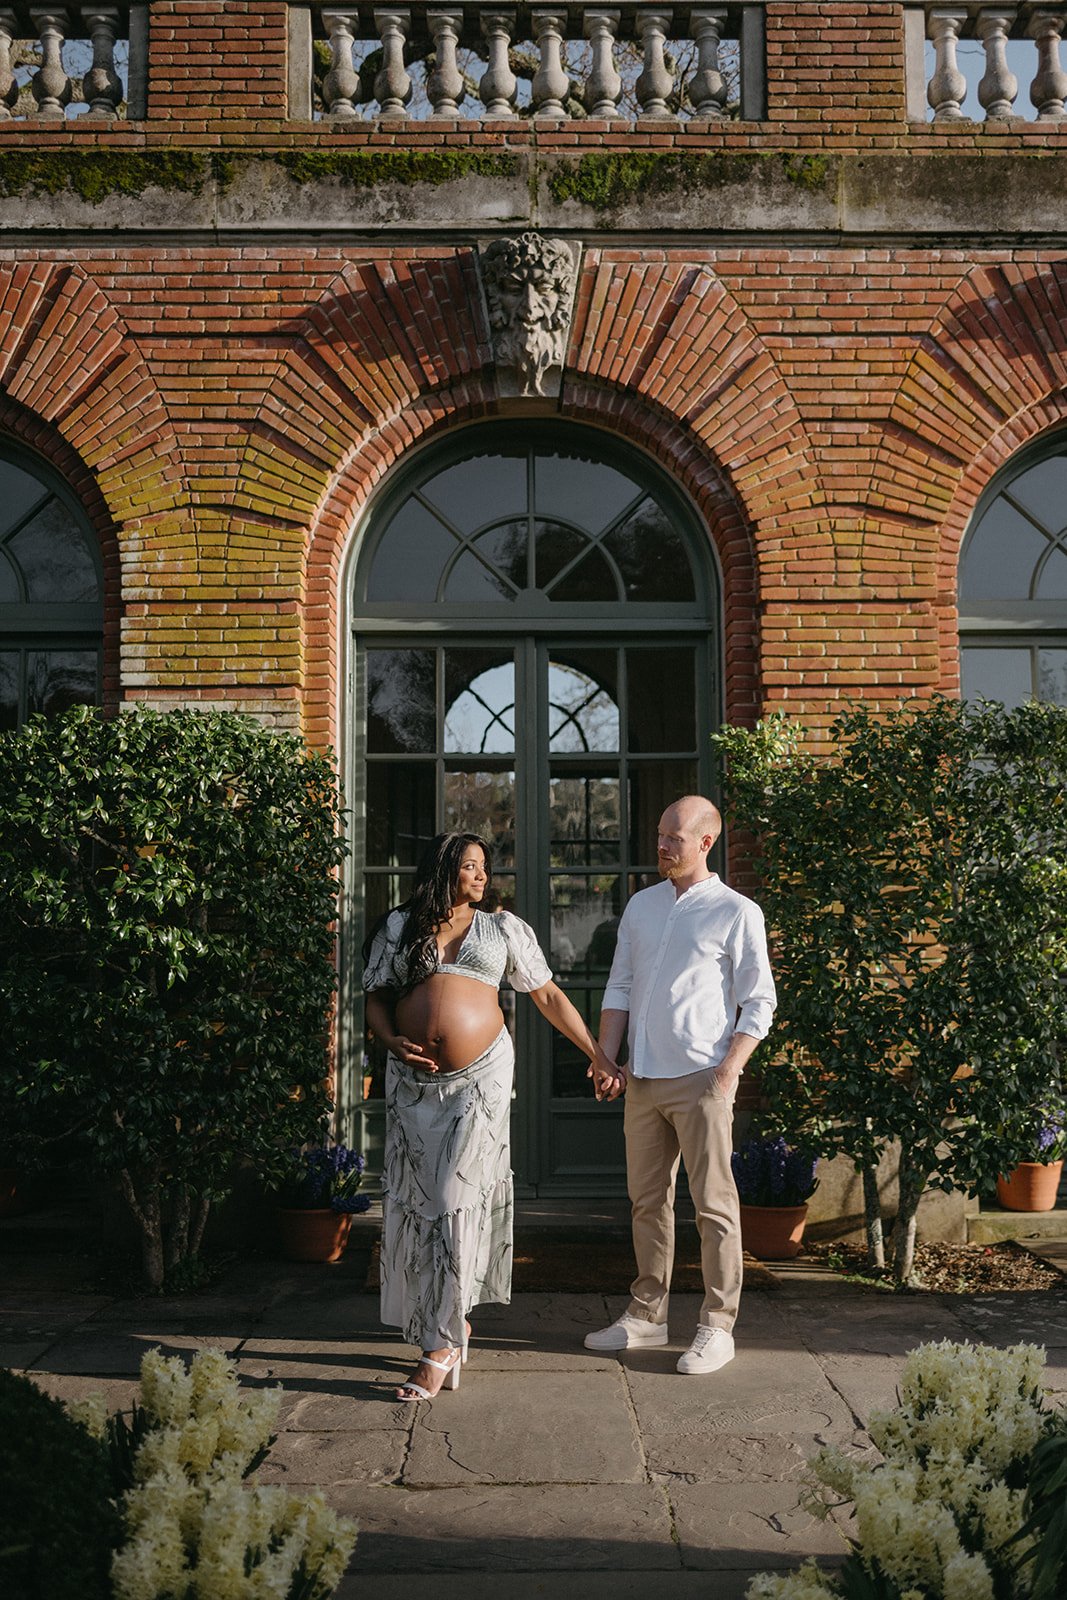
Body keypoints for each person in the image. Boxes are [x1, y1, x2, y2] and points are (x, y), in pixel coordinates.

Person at [363, 830, 617, 1402]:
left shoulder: (503, 929)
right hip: (413, 1082)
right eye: (471, 866)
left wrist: (597, 1053)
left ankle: (439, 1346)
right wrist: (391, 1043)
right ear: (443, 869)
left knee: (455, 1198)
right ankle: (446, 1326)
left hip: (480, 1079)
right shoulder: (401, 929)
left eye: (484, 868)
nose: (482, 876)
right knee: (420, 1205)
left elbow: (547, 996)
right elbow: (375, 997)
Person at [584, 795, 776, 1375]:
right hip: (640, 1080)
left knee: (715, 1209)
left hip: (702, 1080)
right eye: (661, 834)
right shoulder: (641, 906)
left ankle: (718, 1327)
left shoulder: (737, 912)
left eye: (673, 837)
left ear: (705, 843)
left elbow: (760, 1002)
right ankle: (648, 1315)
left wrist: (729, 1070)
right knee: (647, 1204)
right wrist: (605, 1058)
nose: (662, 845)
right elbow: (619, 988)